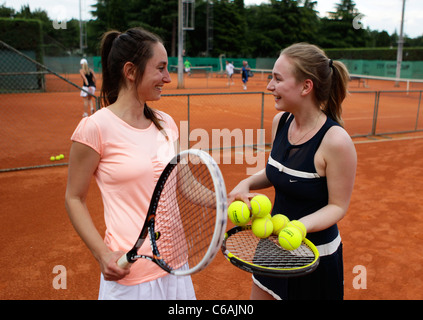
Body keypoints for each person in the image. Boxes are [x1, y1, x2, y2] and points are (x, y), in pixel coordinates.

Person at [65, 27, 196, 300]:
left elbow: (186, 184)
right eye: (160, 69)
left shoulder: (167, 124)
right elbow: (74, 198)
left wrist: (227, 198)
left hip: (175, 265)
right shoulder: (95, 128)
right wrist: (102, 254)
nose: (168, 78)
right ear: (131, 71)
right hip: (131, 276)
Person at [228, 43, 357, 300]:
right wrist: (247, 183)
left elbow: (338, 207)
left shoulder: (336, 141)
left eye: (277, 78)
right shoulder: (281, 122)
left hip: (314, 255)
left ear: (305, 87)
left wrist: (299, 228)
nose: (269, 86)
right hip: (273, 246)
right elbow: (277, 172)